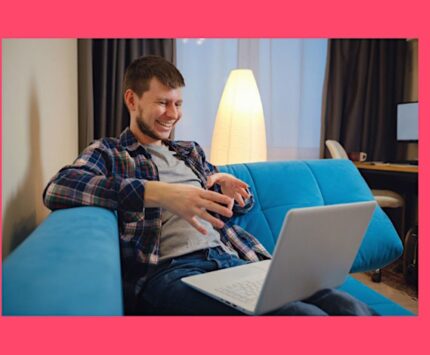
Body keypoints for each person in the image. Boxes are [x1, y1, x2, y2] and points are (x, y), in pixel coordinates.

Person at [43, 55, 375, 316]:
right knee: (302, 316)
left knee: (345, 305)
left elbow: (235, 206)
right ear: (132, 100)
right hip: (171, 274)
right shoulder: (109, 151)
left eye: (178, 104)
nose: (172, 114)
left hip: (234, 259)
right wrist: (158, 193)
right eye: (162, 102)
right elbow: (59, 188)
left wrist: (230, 186)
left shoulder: (190, 152)